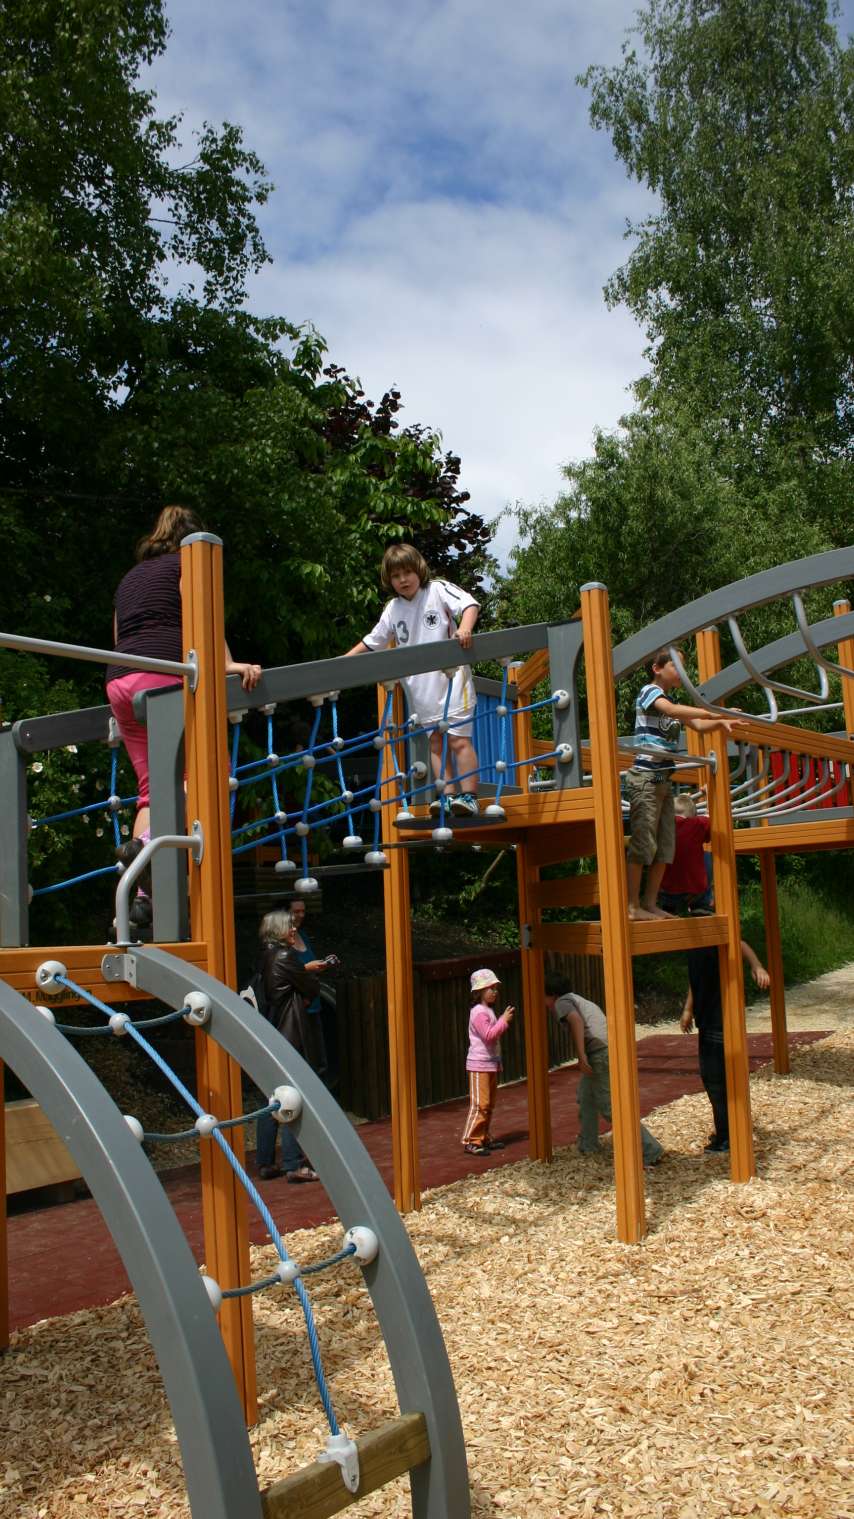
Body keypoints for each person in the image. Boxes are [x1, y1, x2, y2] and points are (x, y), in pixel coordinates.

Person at [106, 504, 262, 845]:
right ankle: (150, 844)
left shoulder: (129, 578)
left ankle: (146, 891)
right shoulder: (188, 563)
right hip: (162, 674)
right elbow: (202, 615)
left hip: (119, 679)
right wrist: (228, 664)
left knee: (152, 790)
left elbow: (120, 636)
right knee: (200, 774)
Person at [345, 543, 481, 816]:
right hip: (421, 690)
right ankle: (447, 796)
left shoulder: (436, 590)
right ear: (389, 580)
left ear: (419, 570)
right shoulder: (393, 609)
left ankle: (469, 796)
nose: (403, 580)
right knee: (436, 742)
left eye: (407, 572)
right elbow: (374, 641)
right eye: (396, 576)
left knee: (458, 741)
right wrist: (344, 660)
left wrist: (464, 629)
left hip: (453, 681)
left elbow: (469, 603)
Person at [625, 649, 745, 921]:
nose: (681, 670)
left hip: (664, 780)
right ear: (657, 668)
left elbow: (699, 726)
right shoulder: (648, 692)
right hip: (644, 778)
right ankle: (632, 906)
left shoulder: (673, 701)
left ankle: (651, 903)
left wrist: (722, 720)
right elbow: (671, 710)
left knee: (666, 847)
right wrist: (714, 712)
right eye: (676, 664)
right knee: (644, 843)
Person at [544, 975, 664, 1169]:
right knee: (586, 1096)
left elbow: (576, 1021)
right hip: (608, 1049)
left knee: (610, 1107)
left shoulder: (562, 1002)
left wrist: (581, 1056)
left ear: (551, 995)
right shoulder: (578, 999)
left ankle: (650, 1150)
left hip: (598, 1053)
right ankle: (588, 1144)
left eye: (544, 998)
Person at [253, 909, 323, 1182]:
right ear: (279, 931)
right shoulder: (285, 956)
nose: (294, 930)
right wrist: (309, 974)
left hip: (273, 1028)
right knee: (294, 1096)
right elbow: (310, 988)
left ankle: (265, 1161)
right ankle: (294, 1163)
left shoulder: (265, 956)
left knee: (270, 1098)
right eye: (289, 927)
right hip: (290, 1032)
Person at [682, 943, 770, 1152]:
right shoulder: (695, 944)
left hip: (719, 1020)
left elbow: (740, 944)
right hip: (707, 1020)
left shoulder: (712, 936)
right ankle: (727, 1131)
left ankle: (727, 1137)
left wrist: (757, 966)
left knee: (717, 1080)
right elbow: (696, 979)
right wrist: (688, 1009)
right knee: (712, 1078)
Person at [289, 896, 340, 1089]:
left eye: (303, 911)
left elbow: (308, 965)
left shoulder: (303, 936)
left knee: (319, 1058)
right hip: (298, 1007)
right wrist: (307, 968)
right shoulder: (281, 945)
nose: (301, 915)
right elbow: (287, 973)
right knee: (303, 1057)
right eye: (296, 911)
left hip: (313, 1001)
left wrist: (323, 964)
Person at [461, 968, 514, 1155]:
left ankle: (483, 1137)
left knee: (489, 1103)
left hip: (490, 1063)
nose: (494, 991)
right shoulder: (478, 1012)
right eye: (490, 988)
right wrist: (504, 1021)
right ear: (478, 991)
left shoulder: (488, 1011)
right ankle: (471, 1140)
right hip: (479, 1064)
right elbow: (489, 1035)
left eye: (495, 988)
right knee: (480, 1104)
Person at [658, 792, 713, 915]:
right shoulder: (697, 823)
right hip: (694, 892)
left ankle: (668, 907)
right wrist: (708, 794)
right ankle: (701, 905)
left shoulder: (662, 825)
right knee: (707, 855)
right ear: (693, 815)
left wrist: (681, 798)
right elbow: (711, 815)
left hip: (667, 892)